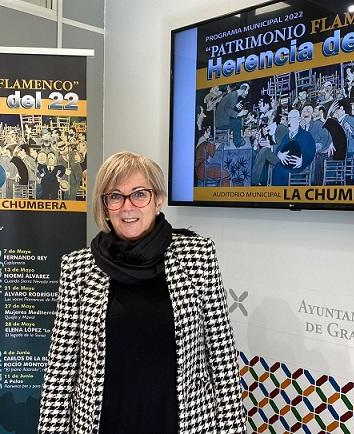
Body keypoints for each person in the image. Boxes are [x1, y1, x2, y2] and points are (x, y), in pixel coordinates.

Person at [38, 151, 246, 434]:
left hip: (182, 423)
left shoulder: (198, 255)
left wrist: (231, 428)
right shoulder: (78, 268)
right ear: (105, 205)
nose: (127, 207)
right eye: (115, 196)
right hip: (104, 423)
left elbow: (221, 354)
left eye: (139, 194)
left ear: (158, 199)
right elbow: (60, 368)